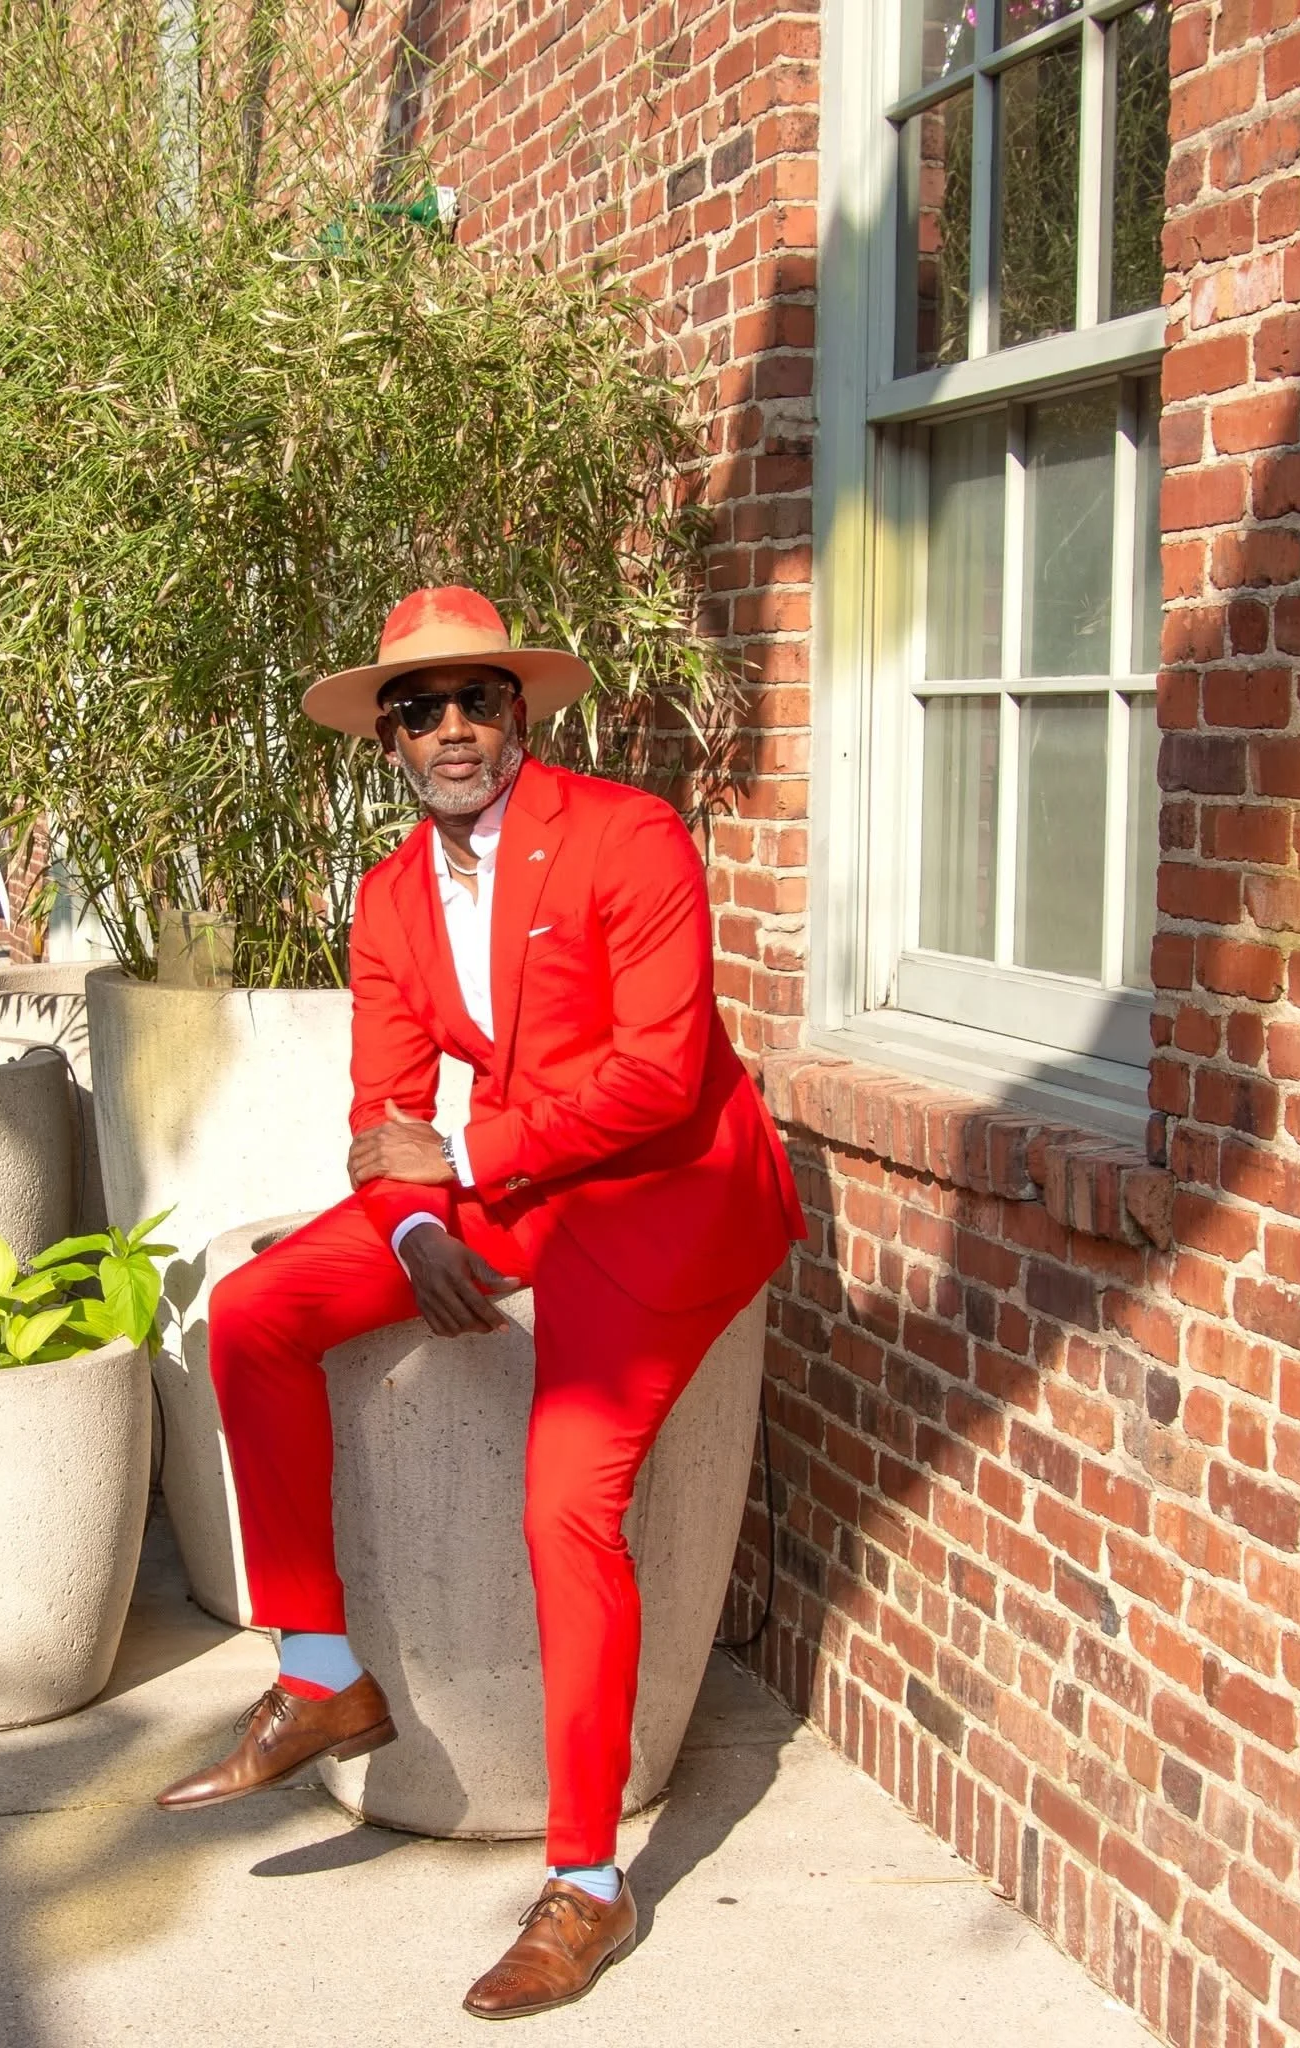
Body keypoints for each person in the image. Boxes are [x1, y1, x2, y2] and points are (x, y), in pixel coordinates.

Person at [155, 585, 804, 2019]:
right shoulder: (388, 896)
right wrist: (406, 1234)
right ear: (382, 737)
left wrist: (465, 1162)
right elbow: (378, 1113)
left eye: (478, 701)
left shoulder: (627, 837)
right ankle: (321, 1669)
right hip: (515, 1178)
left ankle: (586, 1885)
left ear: (521, 711)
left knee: (564, 1501)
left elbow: (660, 1070)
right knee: (256, 1312)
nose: (452, 730)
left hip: (670, 1195)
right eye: (418, 708)